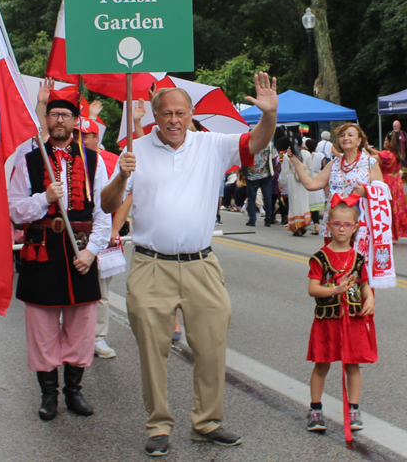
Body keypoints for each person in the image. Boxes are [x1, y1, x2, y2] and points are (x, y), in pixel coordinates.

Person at [101, 72, 278, 457]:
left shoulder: (211, 145)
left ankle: (207, 422)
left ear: (192, 113)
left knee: (212, 344)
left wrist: (269, 115)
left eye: (181, 113)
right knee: (152, 349)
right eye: (166, 113)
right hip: (150, 266)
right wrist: (122, 176)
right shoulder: (136, 150)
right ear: (155, 114)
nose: (174, 120)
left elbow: (256, 143)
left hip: (201, 265)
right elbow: (108, 204)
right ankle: (158, 425)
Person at [8, 89, 111, 421]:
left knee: (82, 327)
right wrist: (43, 198)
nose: (59, 121)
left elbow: (104, 214)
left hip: (80, 249)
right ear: (47, 119)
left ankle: (73, 391)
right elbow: (14, 210)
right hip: (42, 250)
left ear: (75, 121)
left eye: (65, 115)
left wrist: (93, 251)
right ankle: (48, 394)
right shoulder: (29, 160)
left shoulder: (93, 160)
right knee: (42, 326)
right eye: (54, 115)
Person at [306, 197, 377, 434]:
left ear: (355, 227)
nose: (342, 229)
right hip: (328, 321)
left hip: (353, 320)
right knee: (322, 365)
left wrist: (370, 298)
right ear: (329, 225)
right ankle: (315, 410)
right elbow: (312, 288)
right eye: (337, 224)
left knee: (353, 365)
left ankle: (354, 410)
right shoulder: (320, 257)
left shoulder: (358, 258)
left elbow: (364, 284)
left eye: (347, 225)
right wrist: (334, 290)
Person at [74, 117, 128, 359]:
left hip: (104, 236)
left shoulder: (113, 161)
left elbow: (128, 196)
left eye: (85, 136)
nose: (81, 140)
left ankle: (98, 337)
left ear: (97, 138)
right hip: (76, 237)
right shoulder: (66, 160)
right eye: (77, 135)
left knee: (101, 292)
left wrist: (114, 229)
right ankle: (73, 337)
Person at [287, 123, 384, 238]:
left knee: (356, 256)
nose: (346, 138)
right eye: (342, 135)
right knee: (333, 255)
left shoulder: (369, 163)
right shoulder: (334, 164)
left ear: (359, 141)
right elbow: (311, 184)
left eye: (350, 135)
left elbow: (382, 193)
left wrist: (366, 192)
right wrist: (296, 162)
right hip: (335, 224)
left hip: (359, 225)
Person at [366, 131, 407, 243]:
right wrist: (369, 148)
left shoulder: (387, 154)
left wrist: (363, 149)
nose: (385, 142)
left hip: (388, 183)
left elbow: (371, 158)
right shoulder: (397, 153)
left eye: (386, 140)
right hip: (397, 183)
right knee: (400, 208)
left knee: (388, 208)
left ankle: (392, 234)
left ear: (391, 142)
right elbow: (380, 153)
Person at [279, 135, 312, 236]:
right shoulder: (306, 153)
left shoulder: (287, 155)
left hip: (293, 179)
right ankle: (304, 224)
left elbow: (284, 171)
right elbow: (311, 168)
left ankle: (297, 227)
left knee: (294, 203)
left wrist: (281, 183)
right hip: (304, 179)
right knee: (304, 202)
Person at [245, 142, 277, 227]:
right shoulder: (269, 144)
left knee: (251, 198)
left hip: (252, 175)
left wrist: (243, 173)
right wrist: (272, 171)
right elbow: (273, 158)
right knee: (267, 198)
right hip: (265, 174)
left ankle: (252, 220)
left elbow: (244, 159)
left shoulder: (249, 144)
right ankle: (268, 220)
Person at [305, 139, 326, 235]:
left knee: (308, 204)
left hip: (309, 177)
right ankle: (316, 225)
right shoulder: (319, 155)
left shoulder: (307, 156)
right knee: (315, 206)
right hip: (317, 176)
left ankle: (306, 222)